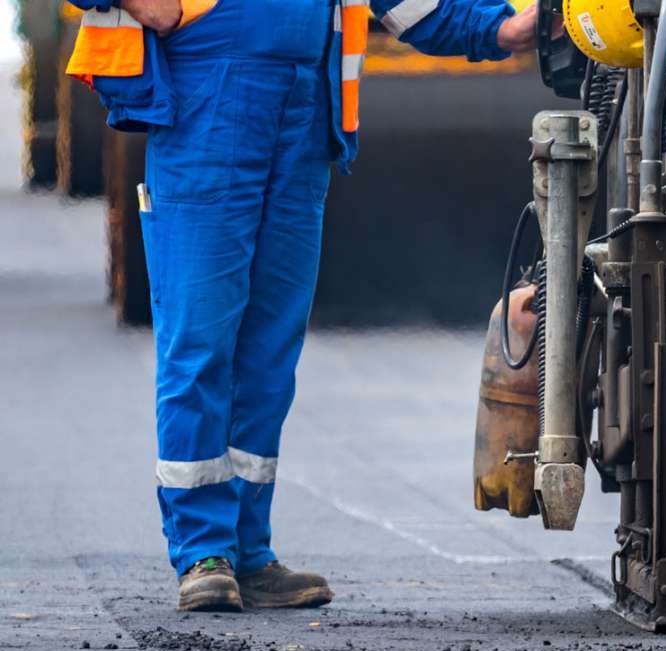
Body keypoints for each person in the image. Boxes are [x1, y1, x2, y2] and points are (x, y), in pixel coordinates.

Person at [66, 0, 539, 611]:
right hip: (207, 95)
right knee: (201, 338)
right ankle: (202, 551)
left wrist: (504, 28)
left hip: (303, 110)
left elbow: (409, 4)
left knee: (268, 351)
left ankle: (247, 549)